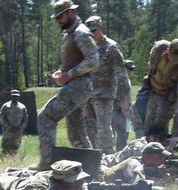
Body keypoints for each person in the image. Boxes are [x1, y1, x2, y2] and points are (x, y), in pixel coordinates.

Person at [36, 0, 98, 171]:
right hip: (77, 85)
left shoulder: (81, 33)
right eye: (56, 18)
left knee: (46, 117)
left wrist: (69, 75)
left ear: (71, 12)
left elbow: (93, 59)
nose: (58, 21)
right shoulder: (70, 33)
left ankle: (46, 164)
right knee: (77, 132)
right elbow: (75, 61)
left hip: (79, 86)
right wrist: (61, 72)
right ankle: (93, 167)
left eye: (60, 17)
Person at [83, 16, 126, 154]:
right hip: (88, 95)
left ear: (100, 28)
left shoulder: (111, 47)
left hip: (104, 94)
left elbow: (122, 74)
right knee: (89, 128)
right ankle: (93, 159)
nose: (91, 34)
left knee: (103, 130)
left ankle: (108, 160)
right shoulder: (88, 49)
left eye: (93, 31)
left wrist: (123, 98)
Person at [143, 38, 178, 136]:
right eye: (173, 57)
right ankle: (148, 146)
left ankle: (160, 147)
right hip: (152, 89)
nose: (175, 61)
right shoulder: (158, 49)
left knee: (159, 125)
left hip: (168, 96)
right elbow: (151, 68)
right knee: (148, 122)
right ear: (168, 50)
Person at [102, 124, 178, 168]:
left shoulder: (151, 145)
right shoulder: (139, 145)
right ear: (151, 137)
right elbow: (147, 159)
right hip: (106, 164)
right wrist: (168, 148)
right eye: (161, 139)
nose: (163, 143)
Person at [102, 141, 172, 184]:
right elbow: (138, 187)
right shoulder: (134, 164)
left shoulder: (144, 164)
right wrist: (162, 183)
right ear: (149, 157)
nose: (162, 161)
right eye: (160, 158)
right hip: (100, 175)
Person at [112, 60, 135, 151]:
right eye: (128, 68)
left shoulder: (126, 79)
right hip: (119, 112)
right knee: (122, 136)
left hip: (123, 110)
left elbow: (128, 98)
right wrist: (126, 113)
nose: (130, 71)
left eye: (131, 69)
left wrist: (131, 111)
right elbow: (122, 99)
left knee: (121, 136)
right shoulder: (121, 79)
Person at [0, 89, 28, 156]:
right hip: (8, 130)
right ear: (11, 96)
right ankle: (5, 159)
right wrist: (9, 127)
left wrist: (21, 127)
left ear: (19, 97)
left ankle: (13, 158)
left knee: (16, 145)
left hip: (18, 130)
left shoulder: (22, 107)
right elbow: (2, 117)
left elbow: (25, 118)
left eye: (16, 96)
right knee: (6, 145)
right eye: (13, 96)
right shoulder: (6, 106)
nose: (15, 97)